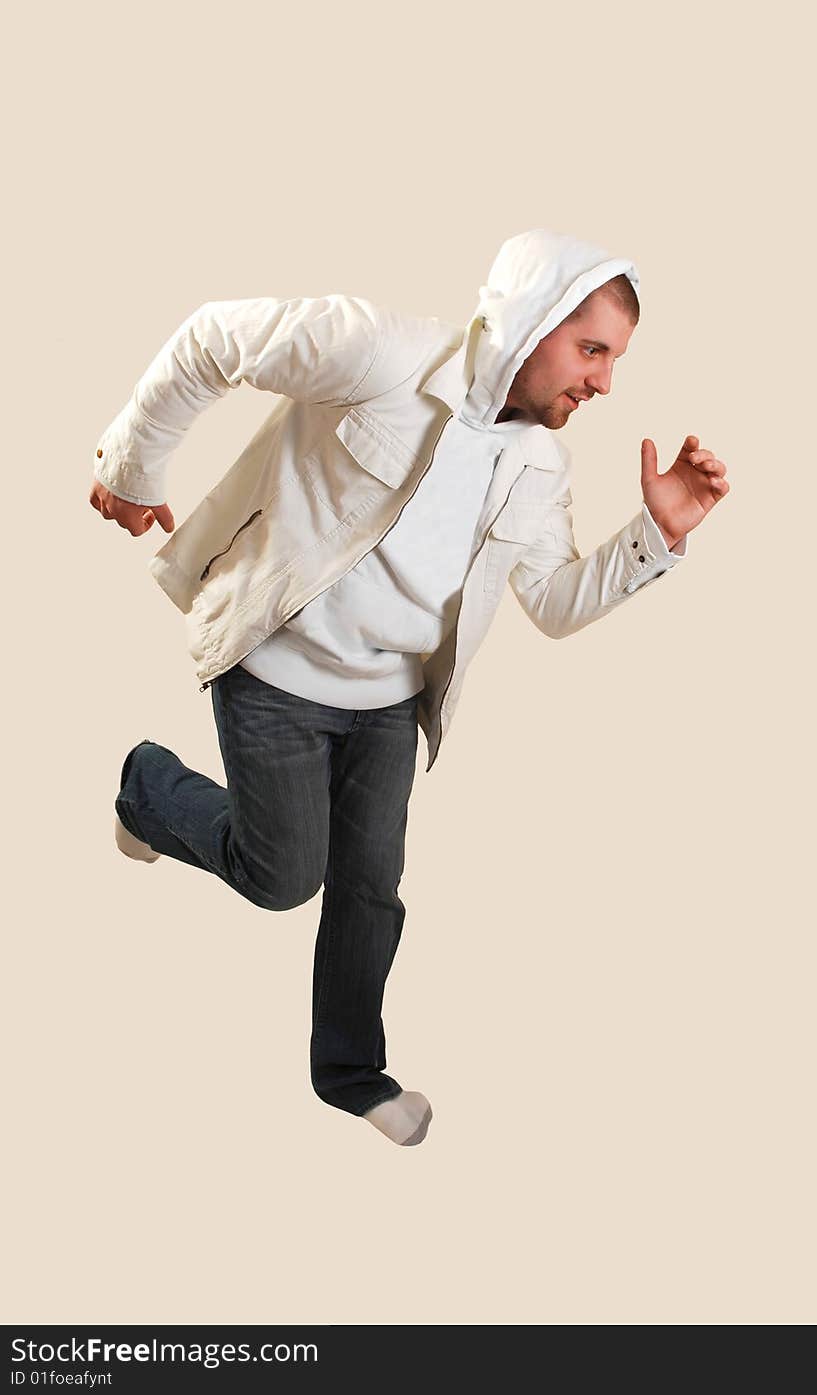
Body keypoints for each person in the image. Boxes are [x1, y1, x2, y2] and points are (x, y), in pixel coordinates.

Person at [89, 228, 730, 1147]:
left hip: (388, 704)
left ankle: (348, 1073)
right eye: (592, 351)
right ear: (534, 321)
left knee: (371, 889)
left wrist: (655, 536)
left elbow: (550, 601)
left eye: (616, 361)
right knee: (283, 877)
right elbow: (211, 339)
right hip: (274, 672)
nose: (604, 382)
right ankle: (147, 788)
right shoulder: (380, 351)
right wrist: (134, 466)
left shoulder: (543, 463)